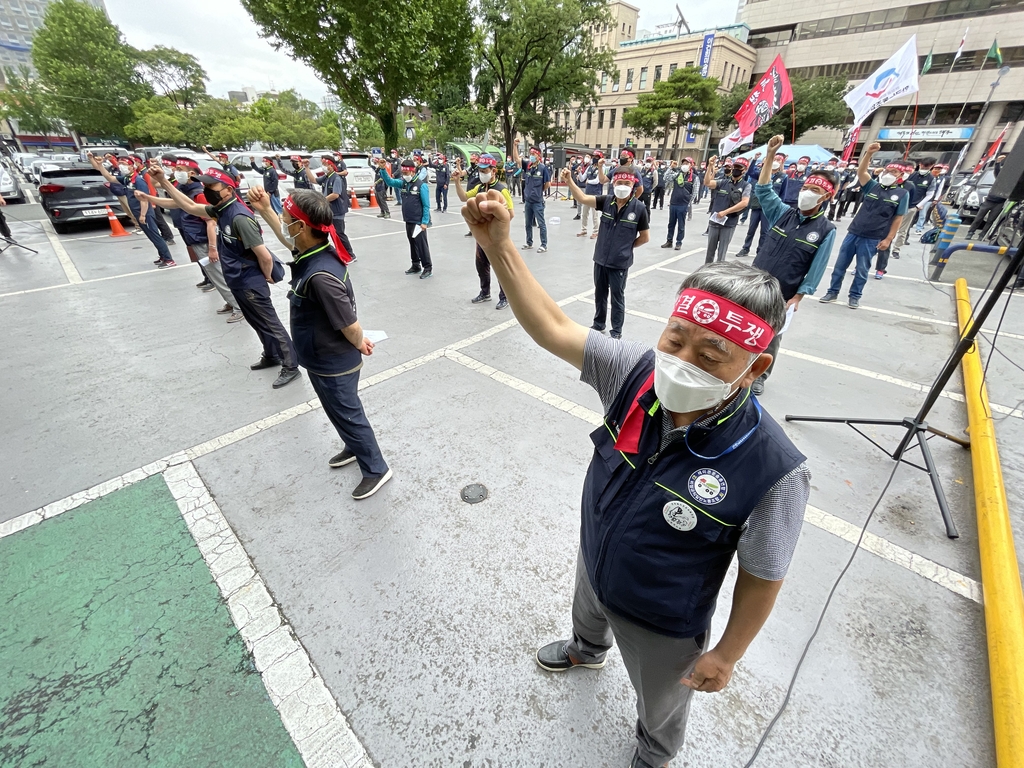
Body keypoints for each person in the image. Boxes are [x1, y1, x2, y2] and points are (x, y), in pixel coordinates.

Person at [462, 186, 808, 768]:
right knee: (588, 607)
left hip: (663, 617)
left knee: (663, 697)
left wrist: (726, 654)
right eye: (676, 339)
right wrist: (499, 247)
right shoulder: (635, 373)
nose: (682, 360)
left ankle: (654, 751)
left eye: (711, 355)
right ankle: (587, 648)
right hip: (597, 553)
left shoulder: (773, 466)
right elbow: (550, 325)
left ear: (756, 366)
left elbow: (762, 576)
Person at [245, 186, 392, 499]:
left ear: (302, 227)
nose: (284, 224)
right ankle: (353, 447)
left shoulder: (321, 275)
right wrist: (265, 210)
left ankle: (377, 468)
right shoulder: (312, 250)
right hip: (319, 357)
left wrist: (361, 342)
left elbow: (350, 324)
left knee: (349, 414)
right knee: (336, 411)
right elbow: (290, 241)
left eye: (287, 219)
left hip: (334, 362)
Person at [149, 162, 301, 389]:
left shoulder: (239, 217)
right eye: (206, 185)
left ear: (229, 190)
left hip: (250, 282)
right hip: (237, 280)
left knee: (271, 324)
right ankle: (271, 355)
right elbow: (190, 207)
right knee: (256, 321)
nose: (207, 189)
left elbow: (265, 256)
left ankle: (291, 365)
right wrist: (163, 182)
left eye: (213, 185)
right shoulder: (222, 210)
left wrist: (267, 276)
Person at [750, 134, 837, 394]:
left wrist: (799, 296)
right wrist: (769, 156)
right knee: (747, 323)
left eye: (815, 191)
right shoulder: (783, 213)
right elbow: (763, 189)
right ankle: (740, 366)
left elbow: (817, 267)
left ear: (826, 197)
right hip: (755, 281)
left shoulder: (825, 230)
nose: (807, 194)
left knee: (772, 335)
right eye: (805, 188)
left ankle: (760, 376)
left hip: (784, 292)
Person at [563, 165, 650, 339]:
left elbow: (644, 237)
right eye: (619, 182)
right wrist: (569, 181)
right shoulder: (606, 201)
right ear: (614, 184)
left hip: (619, 263)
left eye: (627, 182)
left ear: (633, 185)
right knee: (600, 293)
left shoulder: (639, 209)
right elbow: (582, 197)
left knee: (617, 298)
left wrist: (626, 247)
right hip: (600, 259)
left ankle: (616, 331)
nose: (622, 186)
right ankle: (598, 324)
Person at [154, 156, 243, 324]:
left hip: (203, 240)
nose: (175, 172)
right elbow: (179, 204)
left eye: (179, 170)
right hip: (195, 238)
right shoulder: (185, 189)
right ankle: (232, 303)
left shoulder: (199, 193)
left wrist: (212, 247)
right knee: (214, 274)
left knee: (218, 274)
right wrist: (150, 197)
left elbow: (209, 222)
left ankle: (238, 306)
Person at [821, 143, 908, 309]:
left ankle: (854, 296)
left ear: (900, 175)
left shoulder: (902, 194)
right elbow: (861, 172)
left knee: (862, 269)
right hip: (854, 232)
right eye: (887, 170)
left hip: (873, 237)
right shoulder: (873, 186)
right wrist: (868, 154)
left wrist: (889, 239)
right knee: (840, 266)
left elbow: (898, 218)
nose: (889, 174)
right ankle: (832, 292)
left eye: (894, 172)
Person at [88, 152, 175, 268]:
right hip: (137, 212)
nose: (121, 166)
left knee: (155, 236)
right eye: (119, 164)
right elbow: (110, 177)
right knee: (151, 236)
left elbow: (144, 199)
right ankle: (163, 256)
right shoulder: (128, 179)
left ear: (131, 166)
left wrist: (143, 215)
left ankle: (169, 259)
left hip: (145, 213)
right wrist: (100, 165)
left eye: (123, 164)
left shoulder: (138, 180)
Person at [454, 153, 515, 310]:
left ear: (493, 170)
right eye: (480, 170)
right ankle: (485, 292)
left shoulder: (502, 190)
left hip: (497, 236)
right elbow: (464, 197)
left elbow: (511, 214)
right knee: (481, 265)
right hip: (482, 236)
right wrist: (457, 182)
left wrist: (498, 223)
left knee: (500, 267)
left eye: (485, 170)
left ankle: (505, 296)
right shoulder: (479, 188)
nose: (482, 173)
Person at [379, 158, 433, 278]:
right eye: (403, 173)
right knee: (412, 243)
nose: (404, 175)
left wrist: (424, 222)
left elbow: (426, 205)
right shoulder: (403, 183)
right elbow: (390, 182)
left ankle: (427, 267)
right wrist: (383, 169)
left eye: (406, 173)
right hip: (408, 219)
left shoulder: (421, 185)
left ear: (413, 172)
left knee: (422, 245)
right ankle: (415, 265)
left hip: (419, 221)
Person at [306, 153, 357, 263]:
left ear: (330, 165)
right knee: (325, 232)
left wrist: (322, 200)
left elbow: (335, 194)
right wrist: (306, 167)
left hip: (337, 211)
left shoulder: (336, 178)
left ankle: (350, 255)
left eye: (324, 164)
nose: (323, 166)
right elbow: (313, 180)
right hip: (329, 211)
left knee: (339, 233)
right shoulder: (326, 177)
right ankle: (332, 253)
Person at [737, 153, 787, 258]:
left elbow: (783, 194)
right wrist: (754, 160)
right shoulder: (762, 173)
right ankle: (745, 248)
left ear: (782, 162)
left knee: (765, 231)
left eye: (778, 160)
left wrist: (779, 208)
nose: (776, 161)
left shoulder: (783, 177)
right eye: (774, 159)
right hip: (757, 205)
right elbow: (750, 172)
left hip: (770, 208)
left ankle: (760, 251)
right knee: (751, 229)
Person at [702, 156, 751, 264]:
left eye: (739, 168)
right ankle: (706, 274)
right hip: (715, 222)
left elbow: (744, 202)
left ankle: (718, 276)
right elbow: (707, 183)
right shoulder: (723, 182)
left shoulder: (746, 185)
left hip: (729, 224)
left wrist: (726, 212)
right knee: (709, 253)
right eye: (735, 167)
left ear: (744, 170)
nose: (736, 169)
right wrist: (710, 166)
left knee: (721, 254)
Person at [513, 143, 550, 253]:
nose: (531, 156)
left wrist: (539, 191)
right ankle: (529, 242)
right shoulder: (527, 166)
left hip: (537, 201)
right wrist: (515, 146)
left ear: (538, 156)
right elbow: (517, 159)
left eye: (533, 154)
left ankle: (544, 244)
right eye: (530, 154)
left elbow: (547, 184)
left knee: (541, 223)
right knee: (528, 223)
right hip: (528, 201)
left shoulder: (543, 168)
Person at [661, 157, 694, 251]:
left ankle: (679, 242)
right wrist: (670, 168)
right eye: (683, 163)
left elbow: (695, 191)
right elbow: (666, 177)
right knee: (671, 224)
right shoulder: (677, 174)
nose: (684, 165)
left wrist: (689, 202)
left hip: (683, 204)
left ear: (691, 165)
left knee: (681, 225)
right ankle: (669, 241)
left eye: (687, 163)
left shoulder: (693, 177)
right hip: (674, 203)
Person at [579, 150, 606, 239]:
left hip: (596, 195)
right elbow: (582, 178)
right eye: (593, 157)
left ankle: (596, 231)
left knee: (595, 215)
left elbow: (598, 181)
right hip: (587, 193)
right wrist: (579, 172)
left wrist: (588, 181)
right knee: (584, 213)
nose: (594, 159)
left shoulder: (602, 168)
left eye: (596, 157)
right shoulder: (589, 167)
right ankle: (584, 229)